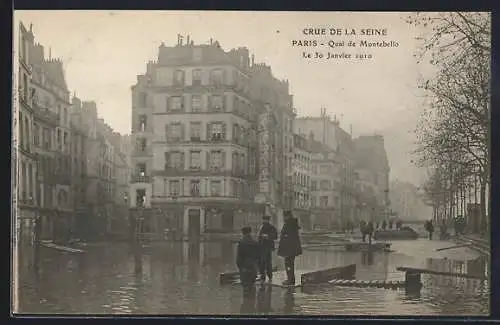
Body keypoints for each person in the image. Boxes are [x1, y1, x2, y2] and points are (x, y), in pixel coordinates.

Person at [277, 210, 302, 285]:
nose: (283, 218)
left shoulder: (289, 224)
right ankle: (291, 279)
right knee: (290, 264)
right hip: (291, 249)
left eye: (284, 216)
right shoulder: (291, 224)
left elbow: (289, 237)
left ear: (287, 216)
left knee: (288, 264)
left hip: (289, 249)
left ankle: (290, 280)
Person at [236, 226, 260, 294]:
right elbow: (258, 255)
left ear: (243, 233)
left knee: (245, 286)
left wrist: (239, 265)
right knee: (252, 284)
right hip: (253, 265)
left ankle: (246, 303)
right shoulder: (255, 242)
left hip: (244, 265)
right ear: (250, 232)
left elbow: (239, 256)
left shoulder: (241, 243)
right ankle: (251, 301)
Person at [258, 215, 278, 282]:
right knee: (262, 262)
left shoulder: (271, 227)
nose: (264, 221)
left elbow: (275, 236)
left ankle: (269, 276)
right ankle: (263, 276)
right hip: (261, 247)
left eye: (265, 220)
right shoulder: (261, 227)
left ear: (268, 220)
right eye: (264, 220)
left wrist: (267, 236)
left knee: (267, 262)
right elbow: (259, 237)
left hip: (268, 247)